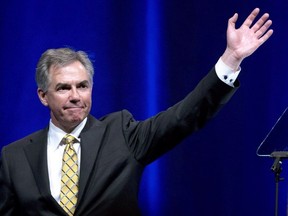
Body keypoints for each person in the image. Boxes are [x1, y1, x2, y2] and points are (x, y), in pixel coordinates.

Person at [0, 8, 273, 216]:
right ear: (42, 96)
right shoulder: (14, 157)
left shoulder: (122, 134)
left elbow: (184, 117)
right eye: (63, 88)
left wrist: (231, 59)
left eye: (82, 86)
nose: (75, 96)